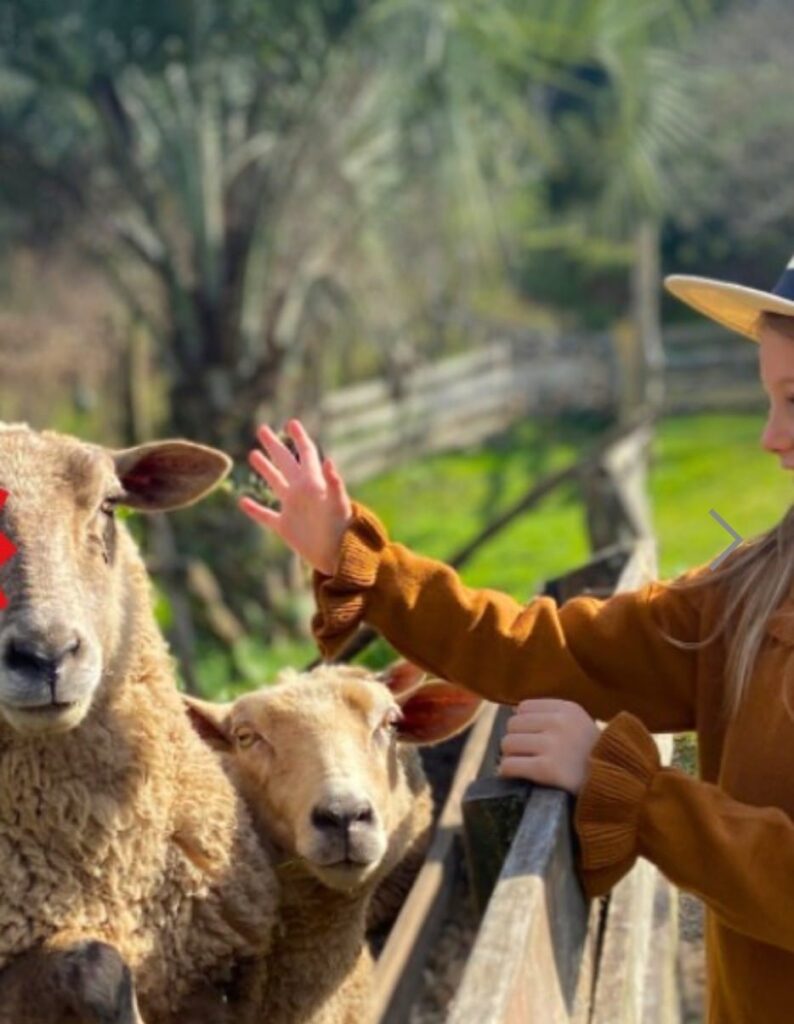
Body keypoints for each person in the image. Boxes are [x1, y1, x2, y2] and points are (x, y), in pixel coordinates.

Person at [238, 258, 794, 1024]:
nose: (771, 437)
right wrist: (359, 561)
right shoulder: (753, 591)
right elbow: (549, 649)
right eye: (768, 400)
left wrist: (629, 790)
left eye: (792, 400)